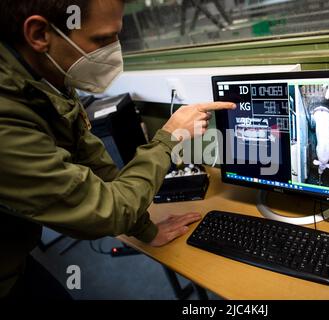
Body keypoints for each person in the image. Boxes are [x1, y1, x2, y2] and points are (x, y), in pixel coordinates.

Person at [0, 0, 235, 299]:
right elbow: (103, 212)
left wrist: (145, 229)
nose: (114, 51)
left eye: (116, 36)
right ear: (39, 33)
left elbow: (94, 161)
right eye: (101, 39)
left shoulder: (47, 77)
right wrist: (168, 138)